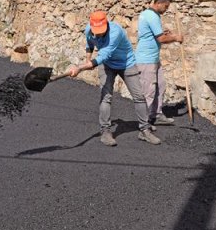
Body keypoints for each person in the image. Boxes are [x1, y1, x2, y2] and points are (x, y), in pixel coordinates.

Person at [67, 11, 161, 146]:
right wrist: (87, 61)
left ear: (106, 24)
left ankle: (144, 130)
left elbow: (104, 54)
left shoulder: (115, 32)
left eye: (101, 31)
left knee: (139, 96)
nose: (98, 34)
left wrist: (80, 67)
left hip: (126, 63)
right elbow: (90, 45)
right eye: (95, 31)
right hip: (107, 66)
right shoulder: (89, 30)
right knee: (106, 97)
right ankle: (105, 131)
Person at [135, 0, 184, 126]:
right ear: (159, 3)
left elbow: (155, 35)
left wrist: (165, 33)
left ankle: (156, 114)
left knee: (160, 86)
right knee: (149, 91)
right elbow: (161, 39)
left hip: (154, 58)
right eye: (166, 6)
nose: (166, 9)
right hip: (146, 60)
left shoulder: (150, 14)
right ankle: (144, 124)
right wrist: (175, 37)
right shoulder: (151, 16)